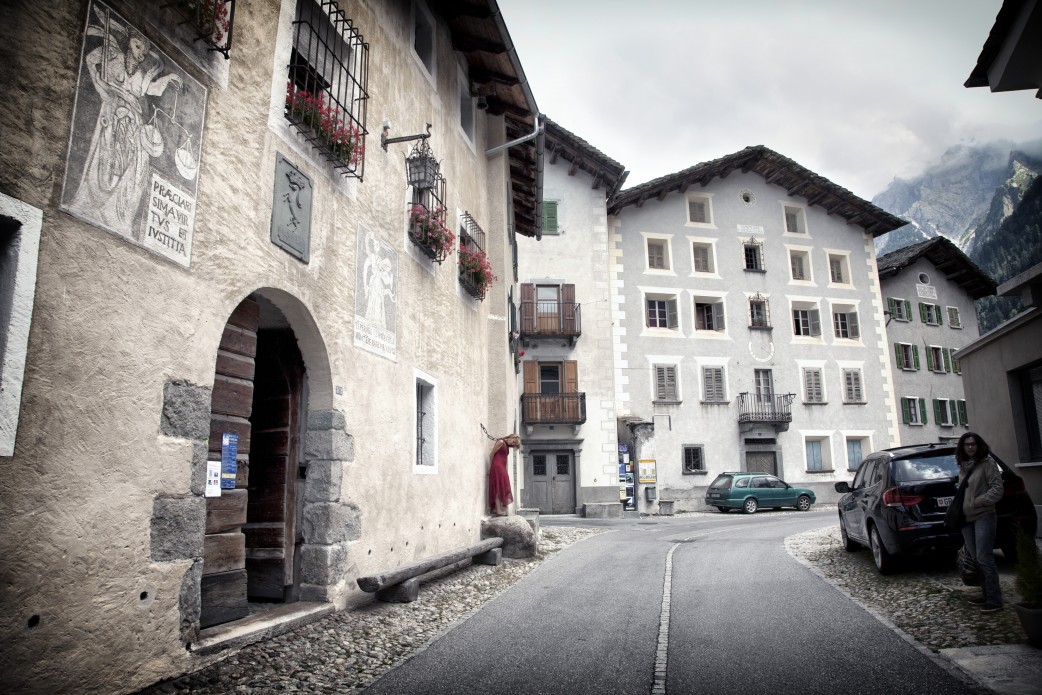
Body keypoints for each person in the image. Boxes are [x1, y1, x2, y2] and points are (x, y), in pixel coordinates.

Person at [956, 431, 1005, 613]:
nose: (970, 447)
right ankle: (986, 594)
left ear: (979, 445)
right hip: (966, 519)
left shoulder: (987, 463)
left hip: (984, 515)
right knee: (976, 559)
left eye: (973, 444)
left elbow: (997, 489)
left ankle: (994, 599)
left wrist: (979, 501)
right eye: (967, 444)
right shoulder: (963, 466)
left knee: (985, 557)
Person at [488, 434, 520, 516]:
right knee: (497, 488)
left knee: (501, 487)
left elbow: (504, 459)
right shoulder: (501, 442)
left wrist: (505, 470)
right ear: (511, 437)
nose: (512, 444)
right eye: (513, 442)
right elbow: (491, 454)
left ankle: (497, 508)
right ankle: (498, 510)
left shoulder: (506, 446)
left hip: (502, 468)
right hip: (497, 467)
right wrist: (491, 467)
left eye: (513, 444)